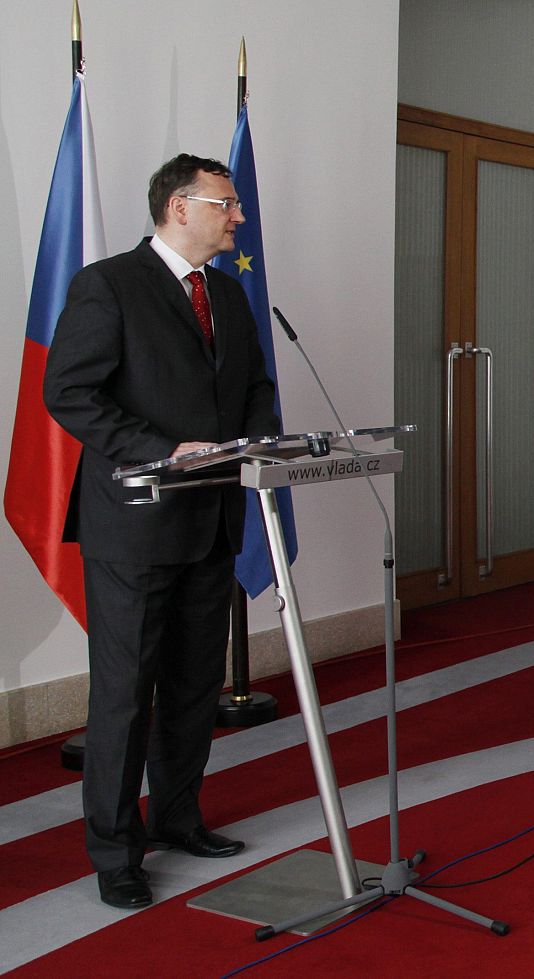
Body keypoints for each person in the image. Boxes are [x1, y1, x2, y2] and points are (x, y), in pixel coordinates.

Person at [43, 154, 280, 909]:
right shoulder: (108, 285)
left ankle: (177, 818)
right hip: (135, 530)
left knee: (190, 686)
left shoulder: (232, 295)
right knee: (124, 694)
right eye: (226, 203)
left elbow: (254, 389)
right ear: (180, 207)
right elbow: (67, 392)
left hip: (213, 520)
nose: (238, 216)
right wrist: (158, 449)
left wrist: (260, 446)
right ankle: (116, 851)